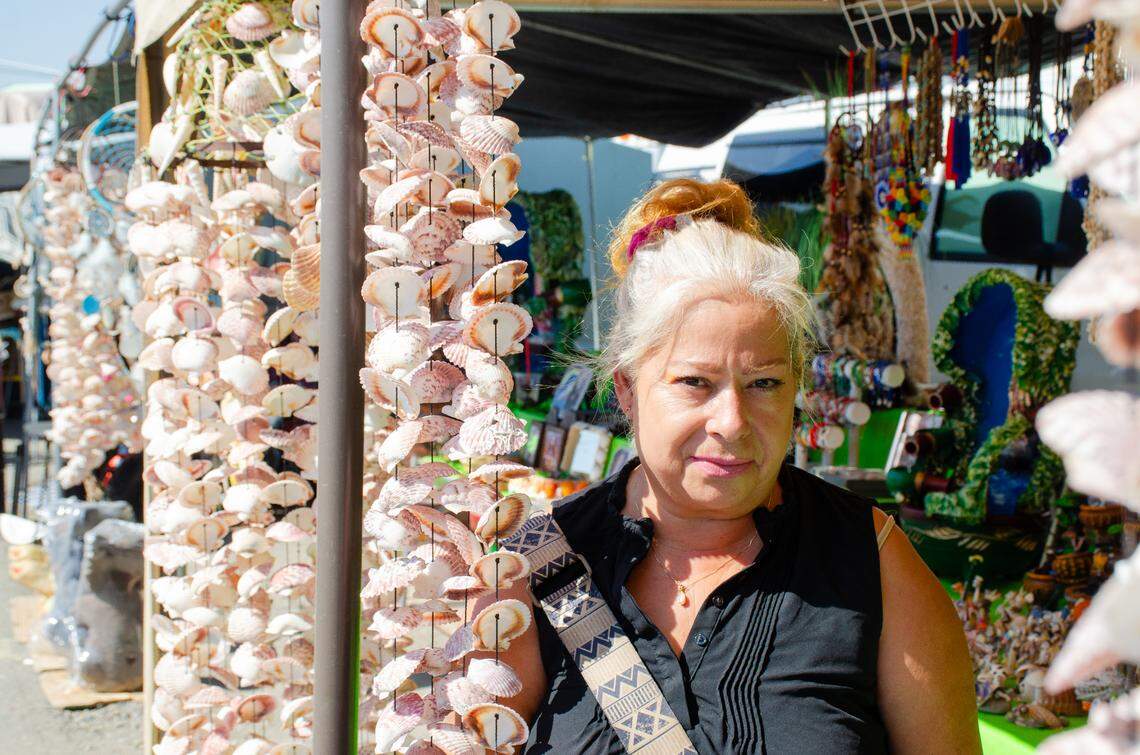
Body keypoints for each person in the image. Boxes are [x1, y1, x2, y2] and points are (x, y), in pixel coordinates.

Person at [484, 178, 980, 753]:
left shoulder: (870, 560)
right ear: (625, 389)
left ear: (796, 387)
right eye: (694, 382)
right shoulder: (542, 565)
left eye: (764, 383)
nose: (733, 422)